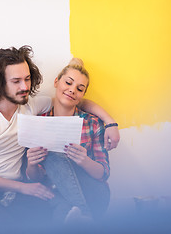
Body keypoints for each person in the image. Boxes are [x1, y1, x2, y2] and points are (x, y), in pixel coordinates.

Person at [0, 46, 119, 232]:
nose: (25, 87)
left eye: (27, 79)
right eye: (16, 81)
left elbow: (71, 99)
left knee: (41, 216)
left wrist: (109, 122)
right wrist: (22, 187)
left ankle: (79, 218)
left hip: (13, 193)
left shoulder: (31, 107)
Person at [25, 58, 112, 225]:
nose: (72, 90)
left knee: (56, 152)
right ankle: (81, 216)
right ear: (57, 82)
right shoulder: (38, 122)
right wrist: (32, 164)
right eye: (68, 83)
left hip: (92, 193)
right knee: (61, 209)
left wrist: (84, 161)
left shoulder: (92, 123)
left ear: (82, 96)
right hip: (54, 195)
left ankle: (83, 212)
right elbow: (35, 178)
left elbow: (104, 173)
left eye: (80, 89)